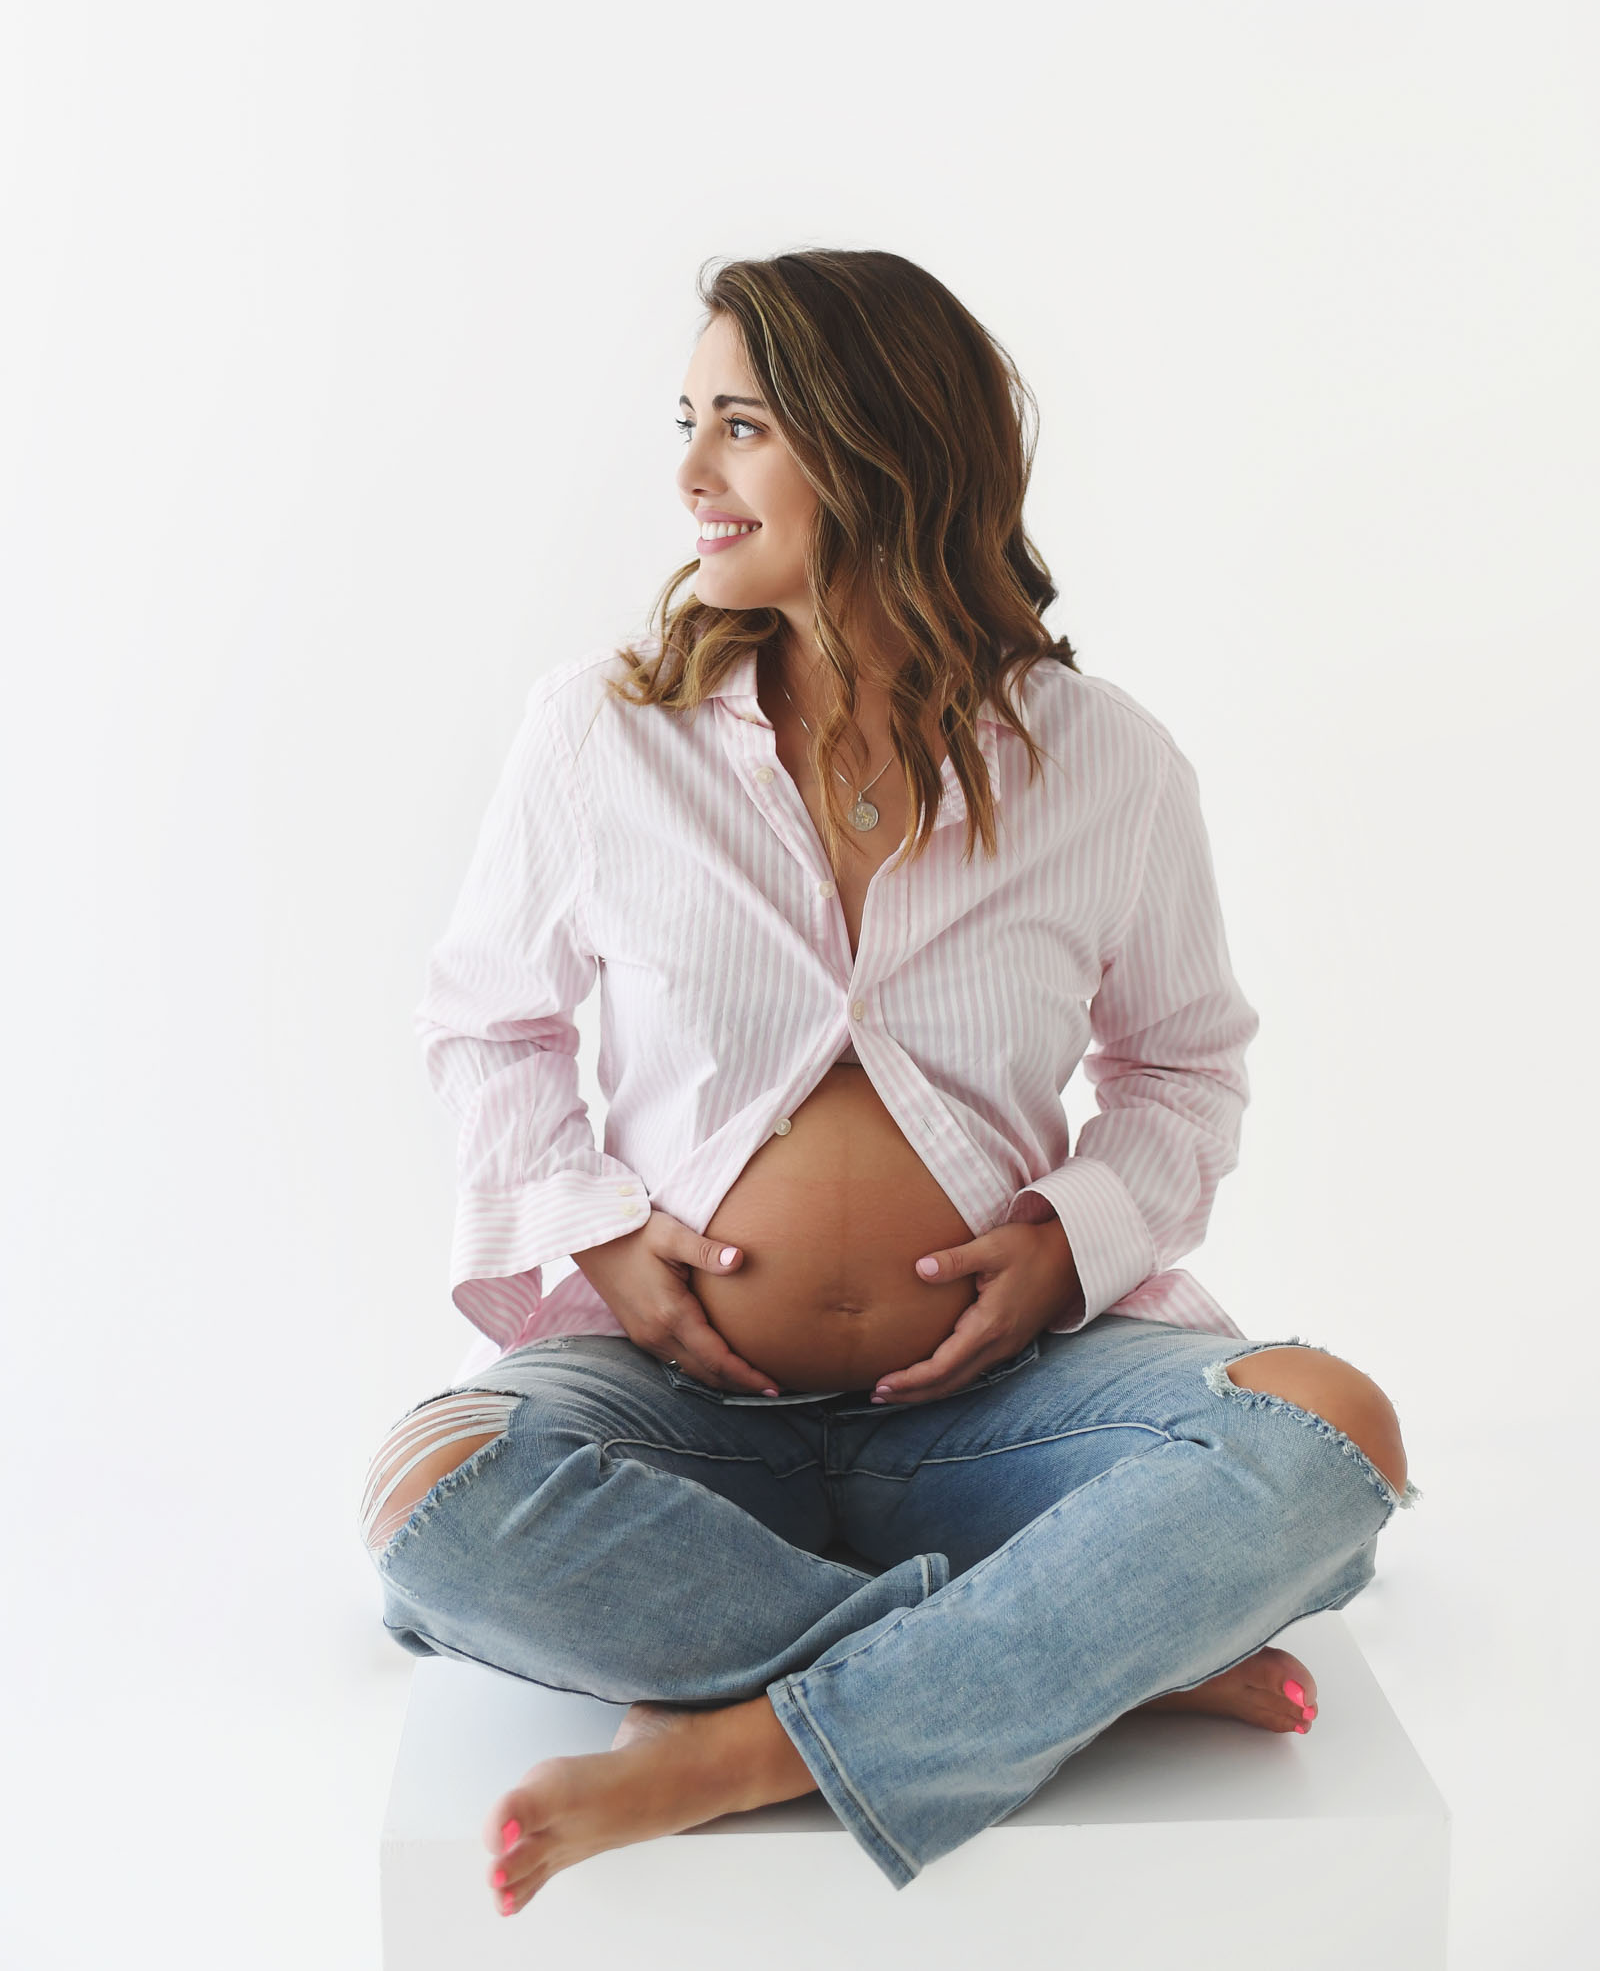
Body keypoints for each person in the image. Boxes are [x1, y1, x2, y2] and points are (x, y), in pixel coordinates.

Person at [358, 248, 1415, 1920]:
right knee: (435, 1496)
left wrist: (1075, 1239)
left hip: (999, 1414)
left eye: (743, 427)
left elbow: (1183, 1064)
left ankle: (751, 1744)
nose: (691, 475)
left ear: (881, 447)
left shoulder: (1104, 760)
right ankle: (1088, 1670)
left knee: (1329, 1435)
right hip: (683, 1408)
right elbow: (490, 1026)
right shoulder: (599, 738)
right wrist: (604, 1235)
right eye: (687, 423)